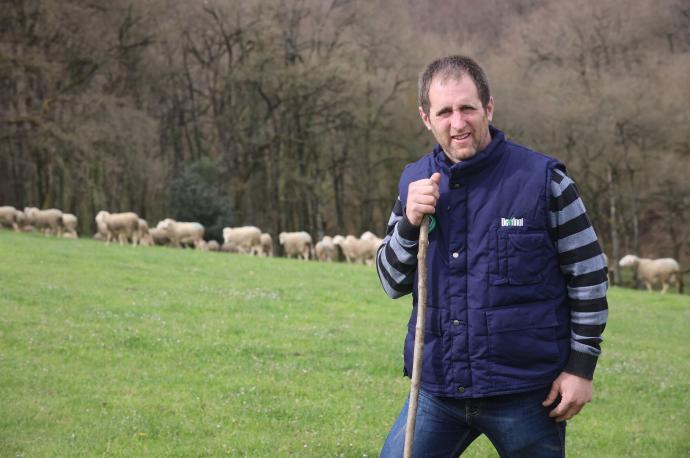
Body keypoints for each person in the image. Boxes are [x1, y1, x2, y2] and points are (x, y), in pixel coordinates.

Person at [376, 55, 608, 457]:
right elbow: (390, 281)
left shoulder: (543, 181)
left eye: (467, 108)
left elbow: (588, 274)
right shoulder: (414, 182)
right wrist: (408, 224)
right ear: (425, 118)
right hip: (437, 389)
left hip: (525, 393)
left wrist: (580, 368)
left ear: (489, 107)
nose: (458, 123)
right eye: (444, 112)